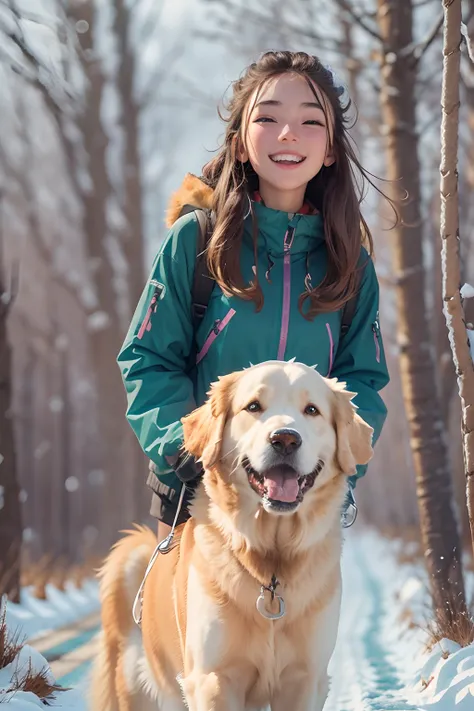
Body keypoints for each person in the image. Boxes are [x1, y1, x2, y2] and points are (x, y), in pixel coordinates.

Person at [117, 50, 391, 542]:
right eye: (267, 118)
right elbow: (148, 358)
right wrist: (184, 448)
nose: (288, 133)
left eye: (310, 121)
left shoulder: (350, 265)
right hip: (197, 495)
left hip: (303, 506)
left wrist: (337, 459)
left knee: (298, 619)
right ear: (241, 141)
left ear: (330, 149)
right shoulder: (196, 241)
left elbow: (362, 381)